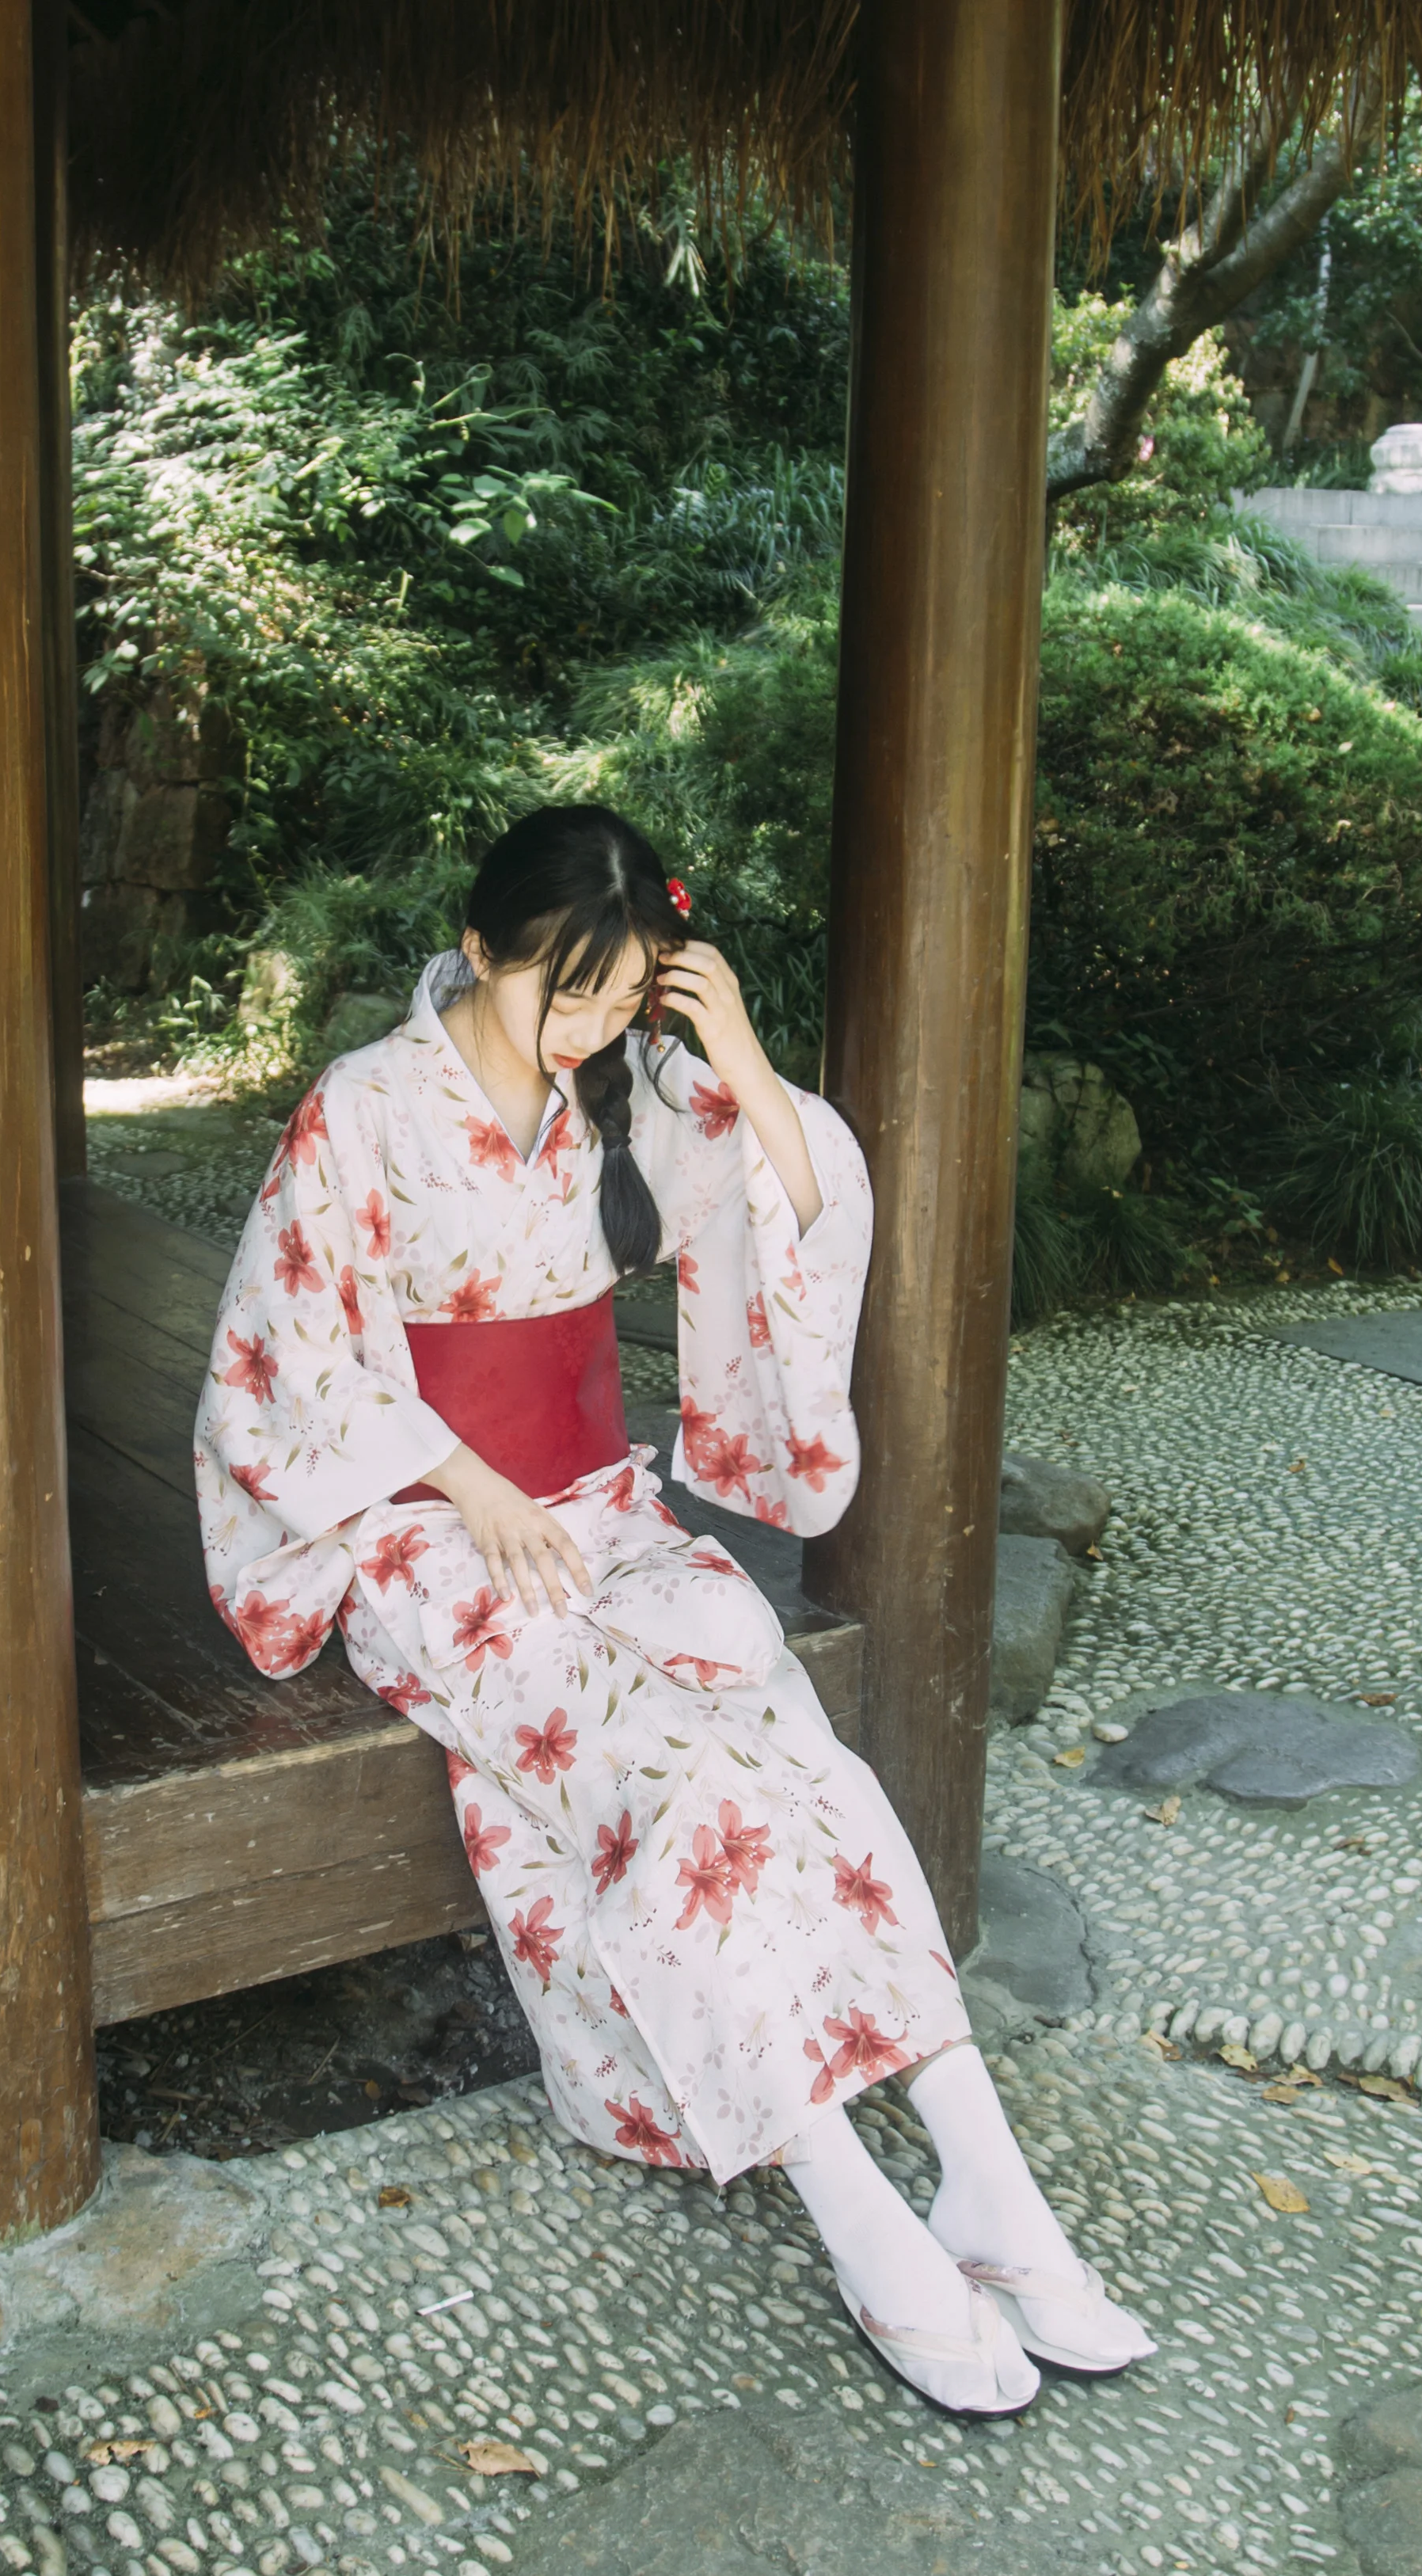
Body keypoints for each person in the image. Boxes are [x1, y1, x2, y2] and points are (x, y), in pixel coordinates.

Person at [196, 804, 1152, 2414]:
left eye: (612, 997)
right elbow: (275, 1363)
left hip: (595, 1512)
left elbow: (788, 1203)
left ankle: (981, 2167)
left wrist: (737, 1042)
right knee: (679, 1792)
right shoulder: (360, 1112)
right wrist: (464, 1484)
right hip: (426, 1540)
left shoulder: (617, 1092)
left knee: (790, 1744)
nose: (579, 1027)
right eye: (553, 993)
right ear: (479, 943)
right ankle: (858, 2213)